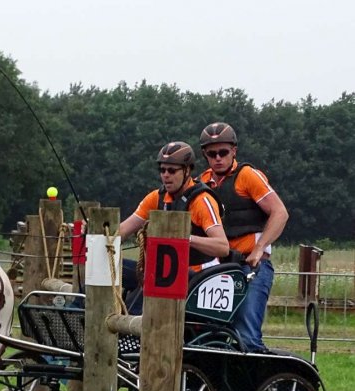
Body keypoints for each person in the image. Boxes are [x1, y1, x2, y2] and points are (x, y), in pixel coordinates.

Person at [198, 122, 289, 352]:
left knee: (246, 337)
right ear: (204, 155)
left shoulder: (248, 176)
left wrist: (260, 248)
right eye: (211, 153)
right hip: (220, 269)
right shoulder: (202, 182)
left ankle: (258, 384)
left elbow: (280, 213)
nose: (218, 158)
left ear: (234, 151)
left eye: (223, 152)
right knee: (209, 334)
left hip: (252, 268)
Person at [118, 141, 229, 314]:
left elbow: (222, 246)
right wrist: (95, 233)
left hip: (196, 275)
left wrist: (185, 239)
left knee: (151, 285)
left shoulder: (201, 200)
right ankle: (80, 317)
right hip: (162, 273)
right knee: (115, 268)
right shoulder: (157, 197)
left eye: (172, 170)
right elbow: (123, 230)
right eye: (162, 170)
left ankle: (130, 328)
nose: (165, 175)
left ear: (187, 170)